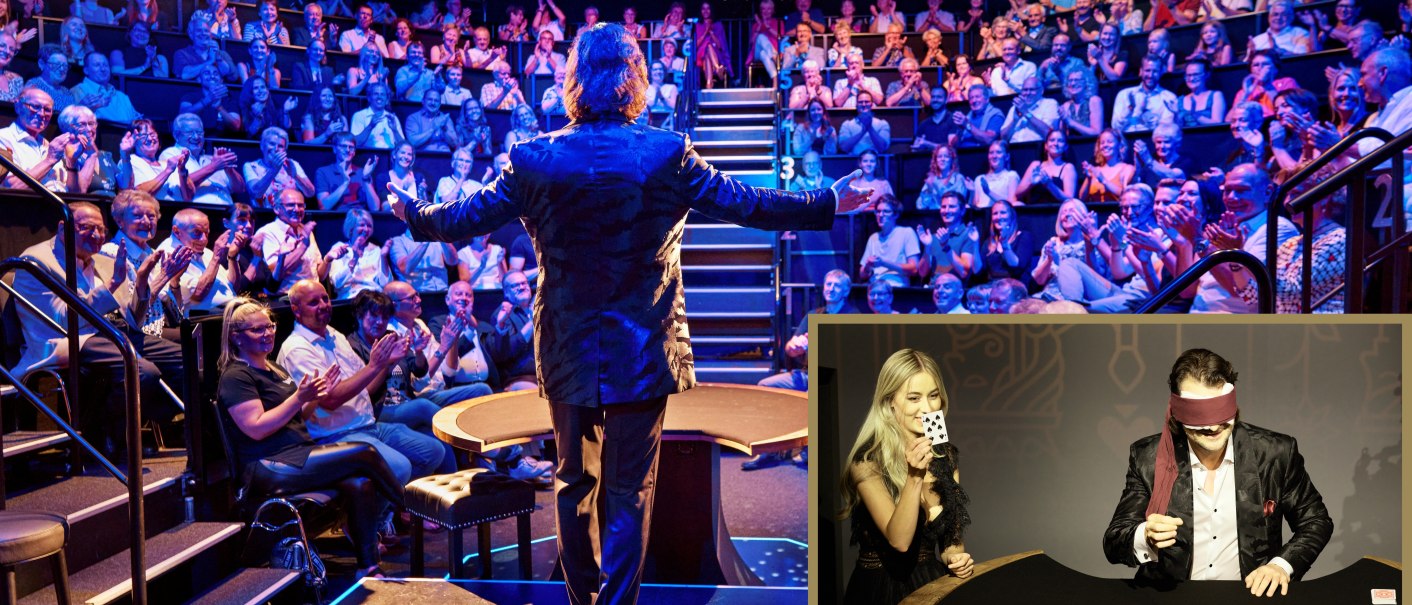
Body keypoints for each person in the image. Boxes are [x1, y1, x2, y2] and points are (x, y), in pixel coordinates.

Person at [386, 23, 871, 604]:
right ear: (634, 79)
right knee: (630, 488)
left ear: (573, 79)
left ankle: (581, 599)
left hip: (565, 345)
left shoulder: (533, 158)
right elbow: (749, 204)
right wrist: (826, 202)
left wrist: (411, 211)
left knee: (571, 480)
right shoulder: (665, 152)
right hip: (643, 348)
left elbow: (459, 219)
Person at [1102, 349, 1332, 594]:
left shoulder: (1275, 453)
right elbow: (1114, 542)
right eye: (1199, 414)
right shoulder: (1148, 458)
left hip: (1247, 597)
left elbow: (1316, 521)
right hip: (1171, 596)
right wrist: (1144, 536)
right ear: (1177, 411)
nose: (1212, 426)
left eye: (1219, 411)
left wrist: (1281, 566)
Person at [217, 297, 403, 579]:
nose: (267, 333)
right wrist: (298, 397)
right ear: (236, 337)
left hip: (298, 453)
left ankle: (368, 565)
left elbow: (299, 416)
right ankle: (414, 505)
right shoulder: (235, 376)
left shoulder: (273, 369)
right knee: (364, 452)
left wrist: (312, 397)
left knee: (360, 482)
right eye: (257, 330)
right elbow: (255, 427)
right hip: (268, 465)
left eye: (269, 326)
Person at [13, 200, 185, 452]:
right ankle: (103, 436)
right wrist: (112, 285)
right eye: (86, 228)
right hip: (65, 339)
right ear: (63, 228)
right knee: (142, 372)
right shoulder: (37, 261)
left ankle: (150, 423)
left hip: (109, 332)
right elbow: (62, 320)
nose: (96, 235)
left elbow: (132, 318)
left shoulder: (102, 260)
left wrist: (142, 284)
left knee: (187, 360)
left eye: (101, 230)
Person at [277, 279, 447, 494]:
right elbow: (330, 401)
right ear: (296, 310)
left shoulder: (334, 335)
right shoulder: (297, 349)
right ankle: (383, 518)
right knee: (401, 466)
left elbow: (364, 390)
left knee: (432, 451)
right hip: (337, 435)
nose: (323, 305)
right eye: (313, 302)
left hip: (367, 425)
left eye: (325, 298)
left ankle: (397, 507)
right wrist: (375, 365)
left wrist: (384, 364)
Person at [839, 348, 973, 604]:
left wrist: (956, 560)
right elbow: (899, 541)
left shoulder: (947, 457)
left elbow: (951, 541)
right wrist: (915, 477)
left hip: (931, 585)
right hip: (879, 589)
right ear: (891, 401)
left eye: (933, 396)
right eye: (914, 398)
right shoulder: (867, 462)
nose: (927, 407)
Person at [1190, 165, 1299, 313]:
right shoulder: (1226, 225)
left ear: (1268, 193)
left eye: (1241, 191)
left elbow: (1242, 292)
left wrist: (1196, 238)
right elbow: (1187, 290)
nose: (1231, 198)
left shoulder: (1278, 228)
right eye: (1227, 190)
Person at [160, 113, 245, 205]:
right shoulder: (171, 154)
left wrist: (229, 170)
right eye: (190, 132)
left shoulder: (211, 159)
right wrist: (214, 167)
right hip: (196, 213)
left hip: (227, 212)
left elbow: (240, 189)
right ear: (176, 135)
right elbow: (180, 184)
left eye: (199, 132)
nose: (196, 137)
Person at [917, 191, 979, 281]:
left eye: (951, 206)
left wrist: (946, 247)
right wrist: (927, 247)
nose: (946, 210)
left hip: (953, 290)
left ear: (962, 211)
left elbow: (963, 272)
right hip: (933, 289)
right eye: (943, 207)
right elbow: (922, 273)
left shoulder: (968, 235)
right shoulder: (934, 237)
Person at [56, 105, 119, 194]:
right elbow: (80, 192)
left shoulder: (105, 156)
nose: (89, 129)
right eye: (82, 124)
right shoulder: (63, 156)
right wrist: (92, 155)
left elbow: (126, 187)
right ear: (68, 127)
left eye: (91, 123)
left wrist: (125, 155)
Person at [244, 128, 314, 206]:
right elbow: (255, 193)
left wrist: (295, 176)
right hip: (263, 214)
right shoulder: (251, 166)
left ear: (285, 150)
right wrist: (274, 170)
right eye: (272, 144)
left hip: (290, 214)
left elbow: (310, 193)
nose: (276, 149)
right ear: (262, 146)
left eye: (280, 146)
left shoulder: (292, 164)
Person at [861, 195, 920, 287]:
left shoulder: (906, 232)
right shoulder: (873, 238)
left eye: (886, 211)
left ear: (896, 215)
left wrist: (883, 263)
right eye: (878, 211)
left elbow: (914, 269)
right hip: (875, 285)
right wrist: (868, 266)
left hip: (896, 285)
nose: (881, 215)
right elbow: (862, 274)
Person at [1112, 57, 1177, 133]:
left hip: (1155, 142)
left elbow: (1166, 130)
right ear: (1141, 71)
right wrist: (1130, 108)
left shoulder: (1169, 98)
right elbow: (1115, 127)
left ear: (1161, 72)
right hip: (1127, 141)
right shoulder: (1124, 94)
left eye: (1155, 71)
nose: (1150, 75)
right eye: (1147, 70)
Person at [1016, 128, 1077, 204]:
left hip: (1057, 211)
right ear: (1046, 146)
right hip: (1034, 210)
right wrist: (1031, 184)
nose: (1055, 143)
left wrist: (1049, 184)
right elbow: (1017, 194)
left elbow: (1069, 199)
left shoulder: (1068, 167)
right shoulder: (1036, 165)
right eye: (1052, 140)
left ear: (1065, 147)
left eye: (1060, 141)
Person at [980, 200, 1034, 283]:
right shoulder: (990, 242)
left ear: (1011, 216)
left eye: (1003, 213)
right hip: (992, 286)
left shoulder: (1024, 237)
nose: (999, 217)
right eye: (995, 213)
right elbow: (979, 270)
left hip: (1014, 285)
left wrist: (1005, 244)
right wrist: (974, 244)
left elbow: (1017, 266)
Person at [175, 16, 238, 82]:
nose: (203, 33)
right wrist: (210, 61)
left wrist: (218, 57)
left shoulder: (222, 54)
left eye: (206, 31)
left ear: (210, 35)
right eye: (199, 30)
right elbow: (184, 74)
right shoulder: (182, 54)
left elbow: (233, 77)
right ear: (191, 34)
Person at [1080, 129, 1135, 203]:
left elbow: (1126, 195)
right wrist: (1089, 178)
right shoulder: (1094, 170)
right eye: (1102, 143)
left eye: (1110, 142)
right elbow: (1081, 199)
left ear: (1119, 145)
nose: (1105, 145)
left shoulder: (1127, 168)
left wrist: (1103, 180)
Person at [1000, 77, 1058, 143]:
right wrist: (1014, 121)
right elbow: (1003, 137)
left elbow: (1048, 133)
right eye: (1025, 90)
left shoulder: (1049, 104)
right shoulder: (1014, 108)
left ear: (1041, 91)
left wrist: (1026, 112)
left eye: (1032, 90)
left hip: (1036, 148)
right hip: (1013, 149)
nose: (1028, 93)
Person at [1248, 0, 1313, 58]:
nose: (1279, 18)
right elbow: (1246, 64)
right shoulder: (1256, 40)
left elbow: (1302, 59)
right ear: (1269, 17)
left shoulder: (1301, 33)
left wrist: (1280, 52)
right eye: (1275, 14)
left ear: (1291, 17)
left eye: (1284, 15)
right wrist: (1251, 56)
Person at [351, 82, 406, 150]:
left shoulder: (393, 118)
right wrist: (370, 126)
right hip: (367, 156)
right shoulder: (359, 116)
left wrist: (394, 130)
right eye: (376, 94)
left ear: (387, 100)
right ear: (369, 98)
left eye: (382, 94)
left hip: (390, 156)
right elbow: (355, 143)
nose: (379, 97)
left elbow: (404, 147)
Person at [916, 146, 971, 211]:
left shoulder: (958, 178)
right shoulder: (932, 179)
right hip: (933, 217)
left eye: (946, 156)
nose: (942, 159)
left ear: (952, 159)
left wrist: (936, 184)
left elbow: (957, 202)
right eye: (939, 156)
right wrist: (929, 192)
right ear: (936, 160)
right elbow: (920, 206)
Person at [1177, 59, 1226, 128]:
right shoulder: (1180, 100)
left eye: (1196, 74)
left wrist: (1196, 115)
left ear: (1207, 74)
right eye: (1188, 75)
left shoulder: (1215, 95)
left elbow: (1218, 124)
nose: (1191, 79)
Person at [696, 1, 732, 89]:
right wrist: (705, 32)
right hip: (700, 54)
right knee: (707, 46)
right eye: (703, 9)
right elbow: (696, 45)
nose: (705, 11)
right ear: (700, 11)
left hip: (716, 55)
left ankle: (709, 83)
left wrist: (711, 31)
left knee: (707, 55)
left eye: (708, 8)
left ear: (711, 10)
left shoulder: (718, 25)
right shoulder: (698, 25)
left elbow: (720, 46)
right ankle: (717, 68)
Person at [974, 140, 1019, 209]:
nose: (994, 156)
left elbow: (1011, 205)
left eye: (998, 152)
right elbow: (975, 205)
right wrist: (972, 191)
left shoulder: (1011, 176)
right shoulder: (979, 179)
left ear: (1007, 156)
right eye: (991, 153)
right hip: (981, 216)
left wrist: (989, 192)